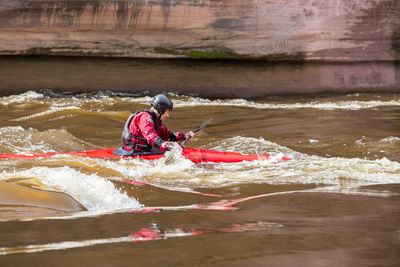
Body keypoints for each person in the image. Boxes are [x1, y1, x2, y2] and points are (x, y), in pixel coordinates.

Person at [114, 94, 194, 156]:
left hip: (144, 151)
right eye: (167, 112)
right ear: (162, 109)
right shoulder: (145, 118)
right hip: (133, 152)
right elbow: (151, 137)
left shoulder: (154, 120)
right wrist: (166, 146)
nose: (167, 115)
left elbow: (167, 134)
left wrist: (184, 136)